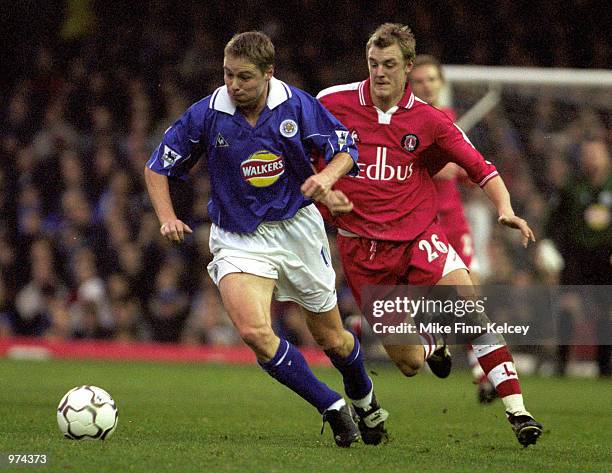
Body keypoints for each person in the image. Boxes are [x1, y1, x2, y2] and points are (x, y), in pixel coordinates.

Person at [144, 31, 388, 447]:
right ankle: (331, 406)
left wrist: (326, 177)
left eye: (244, 77)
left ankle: (363, 398)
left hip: (296, 230)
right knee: (255, 332)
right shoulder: (207, 113)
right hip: (239, 237)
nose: (234, 85)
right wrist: (167, 218)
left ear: (268, 74)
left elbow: (347, 148)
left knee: (331, 338)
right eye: (227, 75)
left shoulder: (297, 105)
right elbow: (157, 167)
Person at [316, 23, 543, 446]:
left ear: (407, 67)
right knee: (409, 362)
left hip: (420, 237)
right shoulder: (332, 103)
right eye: (373, 64)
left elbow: (480, 166)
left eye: (389, 65)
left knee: (471, 310)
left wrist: (506, 207)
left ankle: (519, 411)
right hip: (363, 251)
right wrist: (320, 190)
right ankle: (428, 337)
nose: (380, 72)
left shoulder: (430, 120)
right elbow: (301, 150)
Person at [409, 54, 497, 404]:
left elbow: (463, 171)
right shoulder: (406, 121)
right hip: (421, 222)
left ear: (441, 83)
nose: (427, 86)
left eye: (432, 79)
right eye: (419, 81)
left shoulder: (449, 120)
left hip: (453, 220)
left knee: (470, 295)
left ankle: (481, 372)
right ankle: (434, 340)